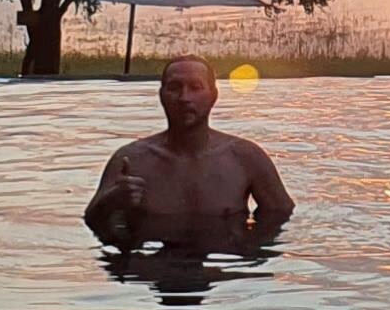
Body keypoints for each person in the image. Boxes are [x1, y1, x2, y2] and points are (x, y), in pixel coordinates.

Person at [86, 54, 293, 249]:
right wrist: (112, 200)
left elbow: (281, 218)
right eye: (174, 88)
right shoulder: (131, 160)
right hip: (155, 264)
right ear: (161, 96)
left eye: (195, 87)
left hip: (224, 262)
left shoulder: (246, 158)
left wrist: (245, 256)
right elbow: (92, 221)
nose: (184, 98)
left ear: (213, 95)